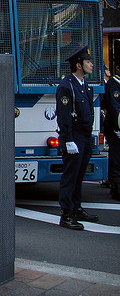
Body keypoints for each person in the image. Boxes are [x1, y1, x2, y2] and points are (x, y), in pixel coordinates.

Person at [56, 45, 99, 230]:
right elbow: (64, 116)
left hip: (85, 136)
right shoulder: (67, 87)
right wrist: (68, 139)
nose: (91, 64)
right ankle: (66, 214)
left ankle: (76, 207)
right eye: (88, 61)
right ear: (79, 65)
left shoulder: (85, 86)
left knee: (80, 174)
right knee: (70, 176)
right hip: (74, 137)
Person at [103, 67, 120, 201]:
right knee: (116, 156)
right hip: (115, 127)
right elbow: (114, 107)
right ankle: (116, 185)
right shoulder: (113, 84)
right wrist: (117, 126)